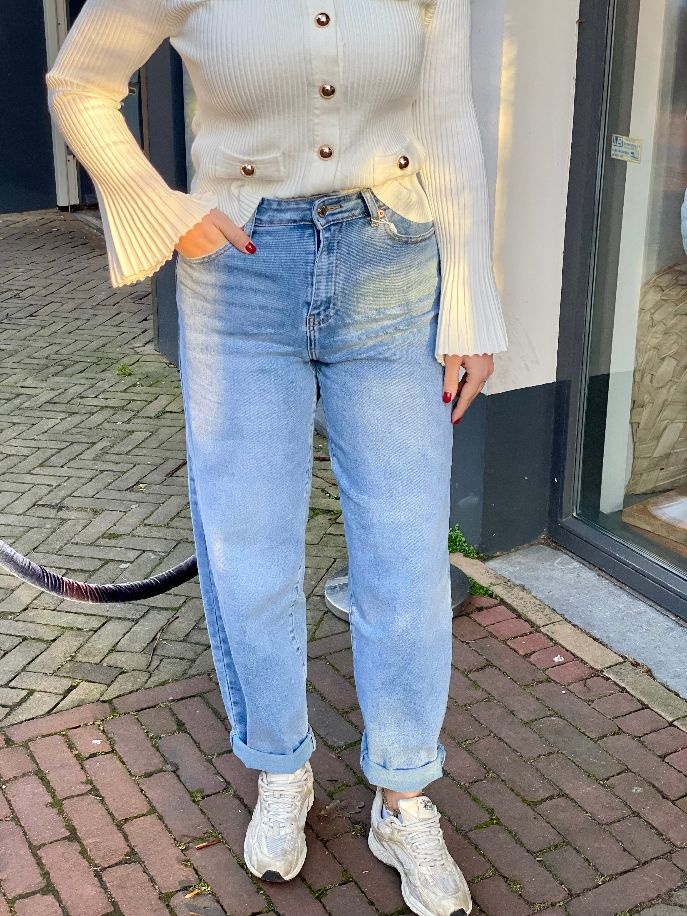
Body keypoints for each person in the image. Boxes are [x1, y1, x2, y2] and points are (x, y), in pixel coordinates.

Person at [45, 1, 508, 913]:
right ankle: (280, 767)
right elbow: (80, 83)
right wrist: (163, 209)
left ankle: (403, 796)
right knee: (249, 548)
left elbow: (447, 120)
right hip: (240, 274)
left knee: (406, 554)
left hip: (393, 264)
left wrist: (472, 305)